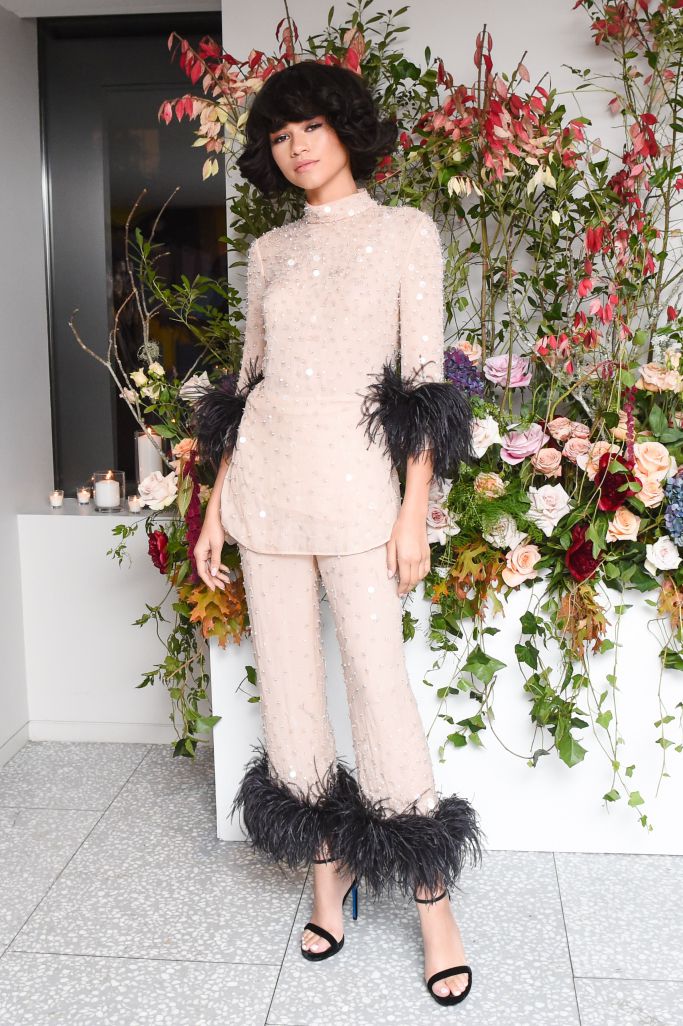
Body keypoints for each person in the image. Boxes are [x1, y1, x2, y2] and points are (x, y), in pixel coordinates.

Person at [192, 59, 486, 1008]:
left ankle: (432, 899)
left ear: (345, 130)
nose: (296, 147)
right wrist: (214, 503)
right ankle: (329, 874)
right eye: (279, 136)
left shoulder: (405, 234)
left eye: (310, 127)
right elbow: (249, 386)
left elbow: (421, 388)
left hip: (361, 497)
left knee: (376, 684)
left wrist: (414, 512)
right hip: (269, 492)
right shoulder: (272, 253)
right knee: (287, 687)